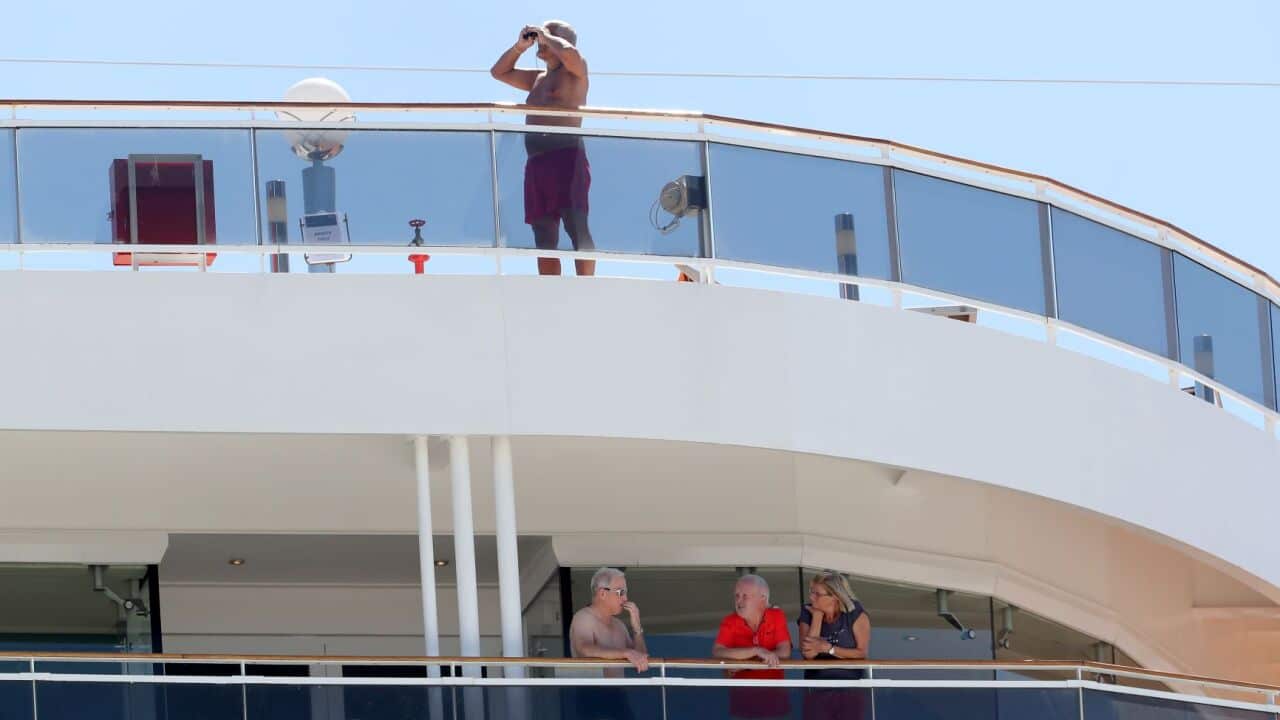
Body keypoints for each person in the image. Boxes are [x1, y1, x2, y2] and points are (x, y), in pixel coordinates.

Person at [490, 20, 595, 277]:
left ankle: (588, 285)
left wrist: (547, 35)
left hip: (567, 155)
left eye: (549, 36)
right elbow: (498, 72)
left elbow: (571, 55)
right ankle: (551, 288)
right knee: (543, 232)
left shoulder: (576, 71)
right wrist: (520, 46)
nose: (541, 40)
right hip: (537, 162)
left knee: (576, 224)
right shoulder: (537, 78)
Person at [568, 567, 648, 720]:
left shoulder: (619, 625)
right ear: (602, 593)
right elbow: (585, 649)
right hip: (591, 696)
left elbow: (642, 657)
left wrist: (637, 627)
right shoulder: (583, 618)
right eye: (620, 592)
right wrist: (625, 653)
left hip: (618, 696)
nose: (625, 598)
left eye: (625, 592)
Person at [712, 574, 793, 719]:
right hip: (743, 702)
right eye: (737, 596)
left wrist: (744, 664)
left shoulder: (776, 616)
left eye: (745, 596)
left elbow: (785, 651)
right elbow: (718, 652)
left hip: (774, 701)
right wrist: (757, 650)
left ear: (762, 599)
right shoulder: (729, 621)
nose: (739, 601)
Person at [797, 570, 871, 720]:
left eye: (817, 594)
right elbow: (808, 654)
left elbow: (861, 653)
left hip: (851, 688)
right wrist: (817, 616)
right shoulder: (808, 611)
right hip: (816, 688)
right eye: (811, 592)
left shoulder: (855, 612)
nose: (811, 597)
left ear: (835, 597)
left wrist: (828, 648)